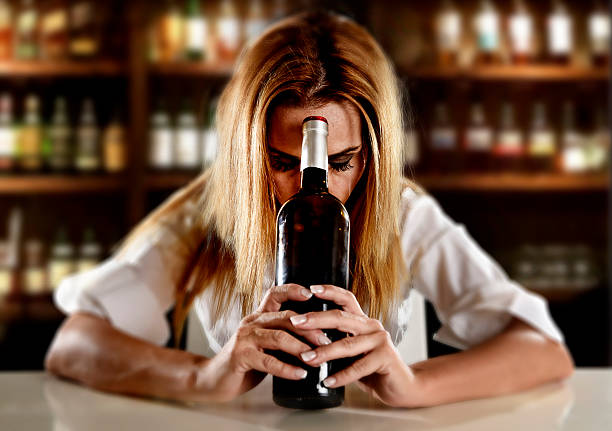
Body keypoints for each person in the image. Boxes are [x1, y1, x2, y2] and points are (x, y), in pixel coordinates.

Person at [45, 11, 573, 408]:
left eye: (338, 161)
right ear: (246, 155)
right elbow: (73, 345)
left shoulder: (402, 215)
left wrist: (410, 385)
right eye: (280, 160)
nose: (310, 186)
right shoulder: (206, 216)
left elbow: (544, 351)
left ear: (372, 155)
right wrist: (203, 377)